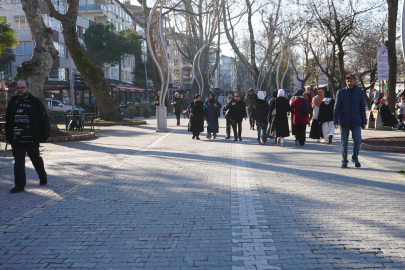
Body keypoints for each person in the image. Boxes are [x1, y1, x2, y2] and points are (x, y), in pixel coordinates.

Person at [6, 80, 50, 193]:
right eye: (18, 88)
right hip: (17, 138)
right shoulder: (13, 102)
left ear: (28, 88)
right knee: (19, 162)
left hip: (31, 138)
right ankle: (19, 185)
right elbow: (8, 120)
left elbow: (44, 119)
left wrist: (43, 136)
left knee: (36, 159)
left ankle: (42, 176)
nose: (20, 90)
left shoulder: (35, 102)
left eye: (22, 87)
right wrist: (9, 135)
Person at [333, 74, 367, 168]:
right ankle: (344, 160)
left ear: (355, 81)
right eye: (348, 81)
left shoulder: (360, 93)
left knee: (358, 140)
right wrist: (335, 121)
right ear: (346, 82)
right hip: (344, 121)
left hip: (356, 121)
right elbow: (336, 108)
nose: (350, 83)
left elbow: (362, 108)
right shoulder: (341, 92)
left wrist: (364, 121)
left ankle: (355, 157)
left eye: (351, 81)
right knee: (344, 142)